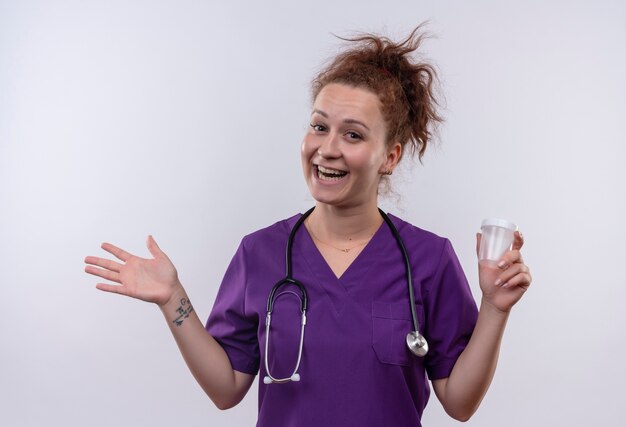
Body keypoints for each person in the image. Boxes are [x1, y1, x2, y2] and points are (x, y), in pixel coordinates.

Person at [84, 26, 532, 426]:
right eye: (319, 127)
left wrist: (495, 309)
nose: (327, 149)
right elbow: (226, 390)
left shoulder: (428, 259)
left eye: (353, 134)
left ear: (390, 156)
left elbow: (459, 403)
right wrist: (172, 299)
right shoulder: (259, 252)